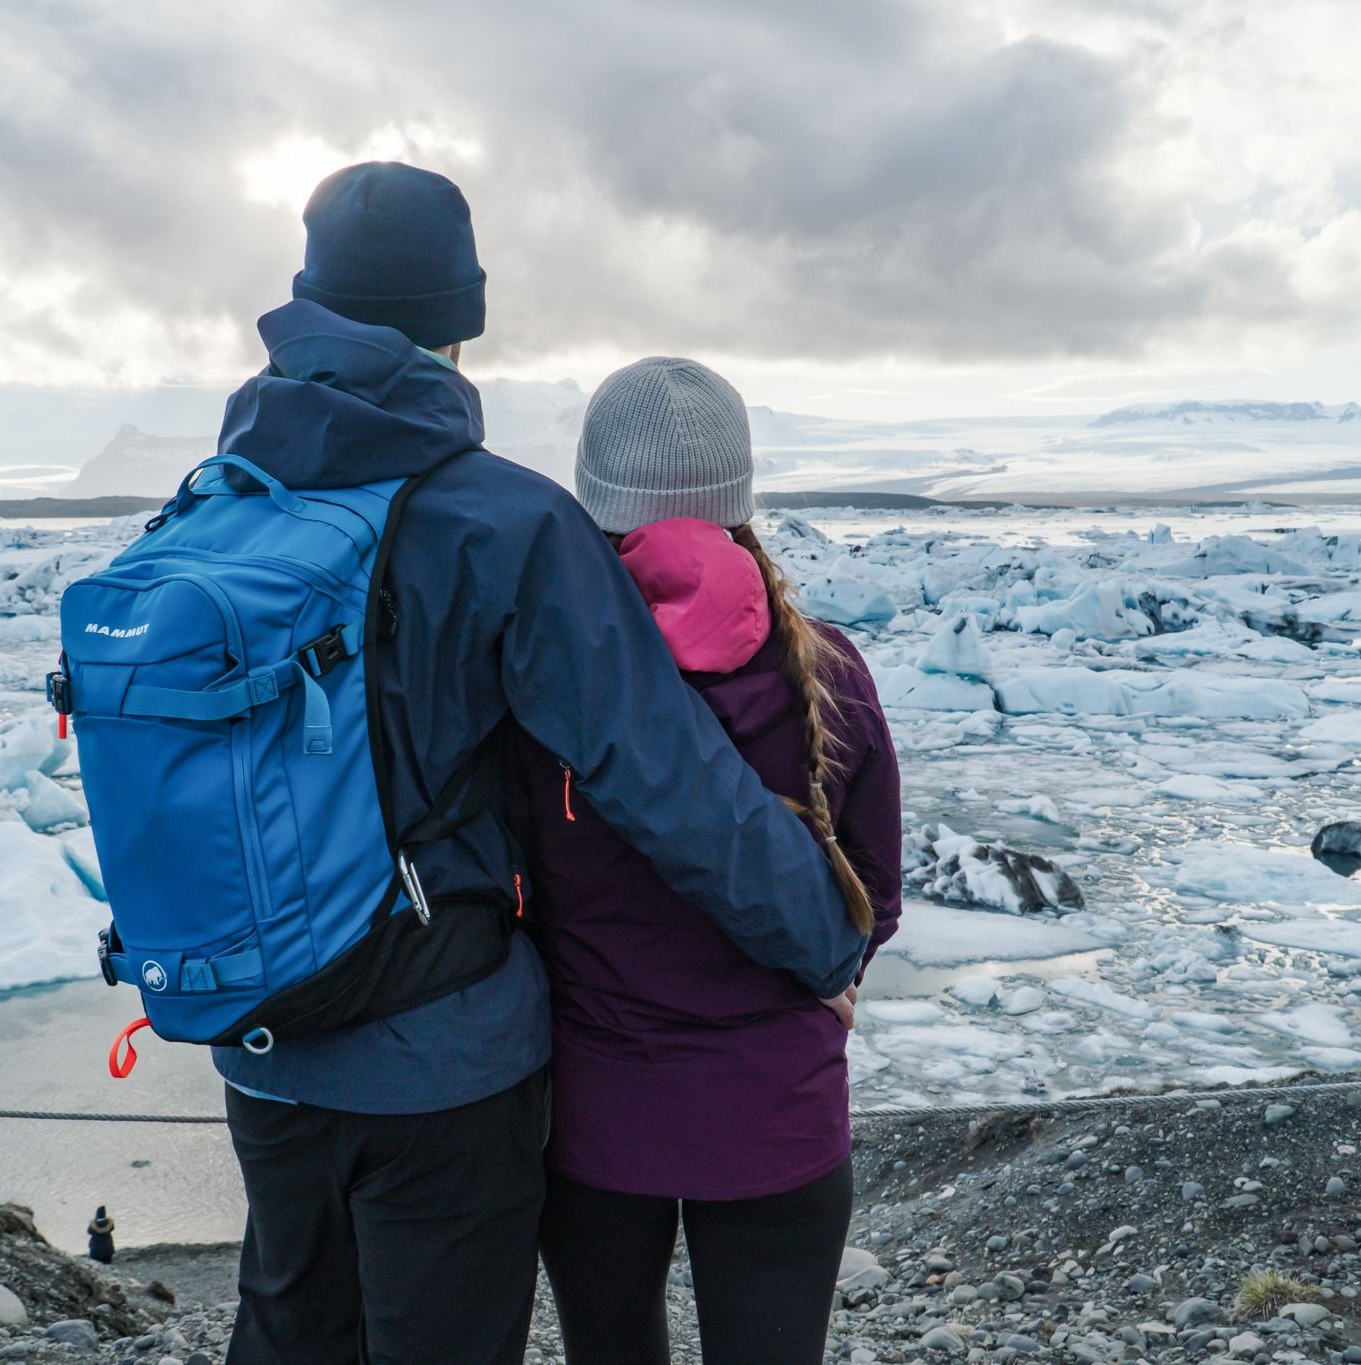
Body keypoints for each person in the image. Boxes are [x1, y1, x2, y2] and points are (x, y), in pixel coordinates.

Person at [205, 163, 870, 1364]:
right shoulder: (500, 522)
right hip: (439, 1056)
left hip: (262, 1034)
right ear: (462, 324)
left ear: (302, 304)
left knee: (291, 1325)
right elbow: (662, 779)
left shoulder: (216, 504)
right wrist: (825, 943)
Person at [509, 357, 904, 1364]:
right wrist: (831, 977)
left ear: (591, 501)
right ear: (740, 496)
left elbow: (509, 891)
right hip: (778, 1116)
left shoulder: (545, 687)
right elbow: (874, 894)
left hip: (596, 1118)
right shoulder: (831, 672)